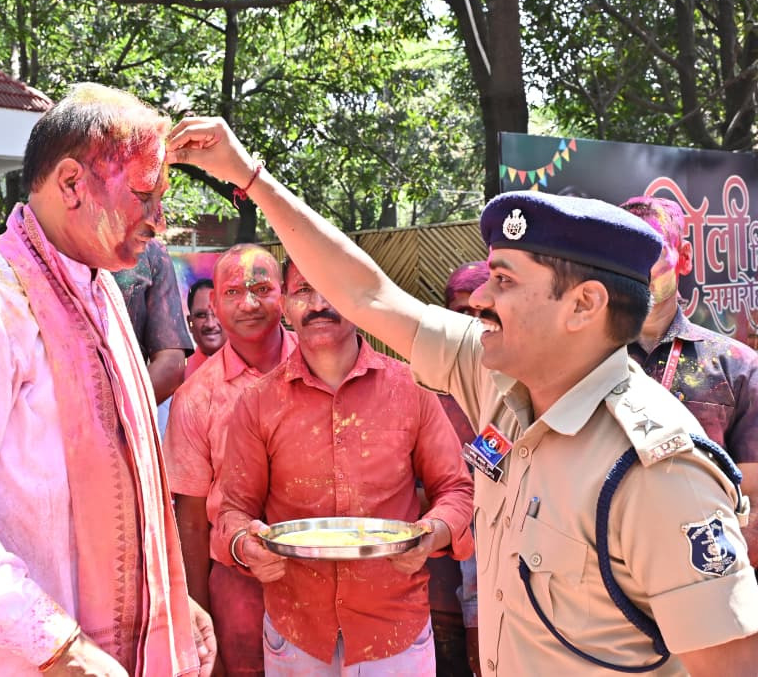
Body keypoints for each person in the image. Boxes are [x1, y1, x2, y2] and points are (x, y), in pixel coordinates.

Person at [165, 117, 758, 675]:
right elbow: (368, 294)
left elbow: (730, 664)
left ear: (584, 306)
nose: (479, 299)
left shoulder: (658, 472)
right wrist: (250, 177)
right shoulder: (499, 378)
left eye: (505, 281)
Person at [0, 84, 215, 677]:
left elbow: (119, 490)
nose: (158, 223)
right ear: (70, 183)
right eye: (143, 196)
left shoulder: (101, 291)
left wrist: (163, 597)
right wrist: (56, 644)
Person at [217, 258, 474, 674]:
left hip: (395, 630)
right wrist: (245, 547)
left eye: (334, 289)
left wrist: (434, 534)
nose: (319, 304)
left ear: (359, 300)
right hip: (296, 631)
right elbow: (232, 512)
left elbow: (457, 491)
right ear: (284, 305)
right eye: (303, 292)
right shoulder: (258, 403)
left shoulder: (412, 388)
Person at [165, 244, 297, 676]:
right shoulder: (195, 399)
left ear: (284, 297)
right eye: (234, 292)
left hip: (333, 581)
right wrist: (202, 630)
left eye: (262, 288)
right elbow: (191, 521)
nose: (250, 304)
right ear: (215, 307)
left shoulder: (322, 366)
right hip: (240, 593)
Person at [620, 195, 758, 566]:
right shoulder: (582, 360)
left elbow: (754, 493)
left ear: (683, 258)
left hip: (706, 569)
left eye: (651, 251)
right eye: (623, 253)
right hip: (603, 576)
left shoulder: (737, 367)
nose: (636, 269)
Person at [425, 260, 491, 677]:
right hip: (454, 539)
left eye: (480, 311)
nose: (470, 323)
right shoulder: (432, 382)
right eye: (460, 312)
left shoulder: (524, 374)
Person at [113, 238, 193, 404]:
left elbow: (171, 365)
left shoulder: (148, 250)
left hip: (123, 414)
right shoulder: (46, 243)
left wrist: (115, 419)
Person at [184, 278, 226, 379]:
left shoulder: (254, 365)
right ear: (190, 323)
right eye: (201, 315)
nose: (210, 324)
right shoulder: (178, 375)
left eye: (217, 313)